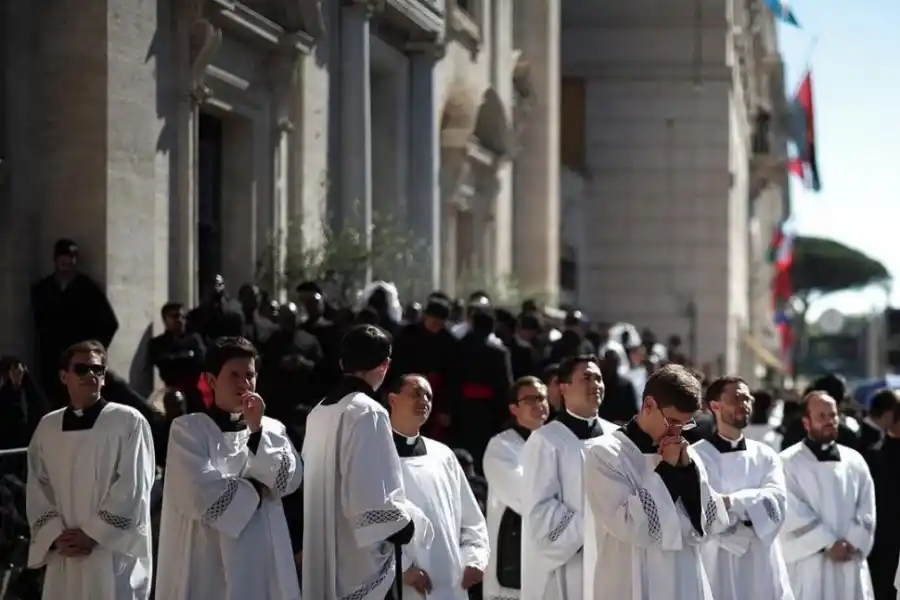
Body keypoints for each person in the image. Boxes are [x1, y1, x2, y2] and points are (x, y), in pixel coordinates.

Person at [155, 337, 302, 600]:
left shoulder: (271, 428)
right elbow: (199, 492)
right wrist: (255, 490)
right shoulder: (189, 430)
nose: (244, 383)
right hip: (208, 559)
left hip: (262, 557)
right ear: (211, 380)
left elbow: (287, 481)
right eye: (234, 375)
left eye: (250, 375)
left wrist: (257, 431)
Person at [302, 324, 430, 600]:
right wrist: (405, 524)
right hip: (354, 555)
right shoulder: (369, 412)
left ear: (342, 363)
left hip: (321, 546)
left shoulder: (318, 412)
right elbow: (371, 495)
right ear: (385, 365)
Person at [582, 364, 731, 599]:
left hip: (684, 578)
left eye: (685, 424)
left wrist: (688, 472)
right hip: (631, 580)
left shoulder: (686, 454)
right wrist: (668, 471)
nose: (677, 431)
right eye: (672, 421)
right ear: (649, 405)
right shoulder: (605, 453)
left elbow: (712, 523)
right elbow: (628, 524)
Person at [26, 340, 155, 600]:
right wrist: (55, 534)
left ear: (104, 378)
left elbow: (135, 484)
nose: (91, 375)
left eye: (98, 369)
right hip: (65, 551)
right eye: (82, 369)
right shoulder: (48, 428)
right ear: (64, 376)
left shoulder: (128, 420)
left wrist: (93, 533)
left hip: (110, 551)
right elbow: (37, 486)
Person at [387, 374, 490, 600]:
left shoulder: (443, 455)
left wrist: (474, 559)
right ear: (393, 399)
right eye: (415, 394)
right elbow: (369, 524)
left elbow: (472, 519)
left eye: (428, 396)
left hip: (452, 581)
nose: (423, 400)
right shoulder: (378, 455)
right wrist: (403, 567)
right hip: (403, 583)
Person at [520, 355, 615, 600]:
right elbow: (539, 509)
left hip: (615, 560)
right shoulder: (545, 440)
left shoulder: (618, 438)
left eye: (598, 378)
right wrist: (593, 526)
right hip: (572, 565)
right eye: (586, 378)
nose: (595, 384)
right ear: (563, 387)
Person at [693, 376, 793, 600]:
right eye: (737, 398)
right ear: (715, 405)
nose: (745, 404)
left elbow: (777, 502)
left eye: (748, 399)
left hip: (762, 564)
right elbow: (703, 510)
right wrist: (752, 511)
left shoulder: (766, 455)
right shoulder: (696, 457)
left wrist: (730, 502)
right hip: (716, 563)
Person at [779, 391, 876, 600]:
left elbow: (867, 506)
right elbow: (791, 510)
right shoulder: (787, 462)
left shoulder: (855, 461)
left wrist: (853, 540)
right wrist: (828, 543)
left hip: (849, 559)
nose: (829, 421)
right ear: (806, 422)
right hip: (810, 566)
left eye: (832, 415)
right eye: (821, 416)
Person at [482, 376, 550, 600]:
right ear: (514, 408)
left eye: (542, 398)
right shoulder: (502, 446)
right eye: (530, 399)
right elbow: (524, 496)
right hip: (512, 557)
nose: (538, 404)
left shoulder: (556, 443)